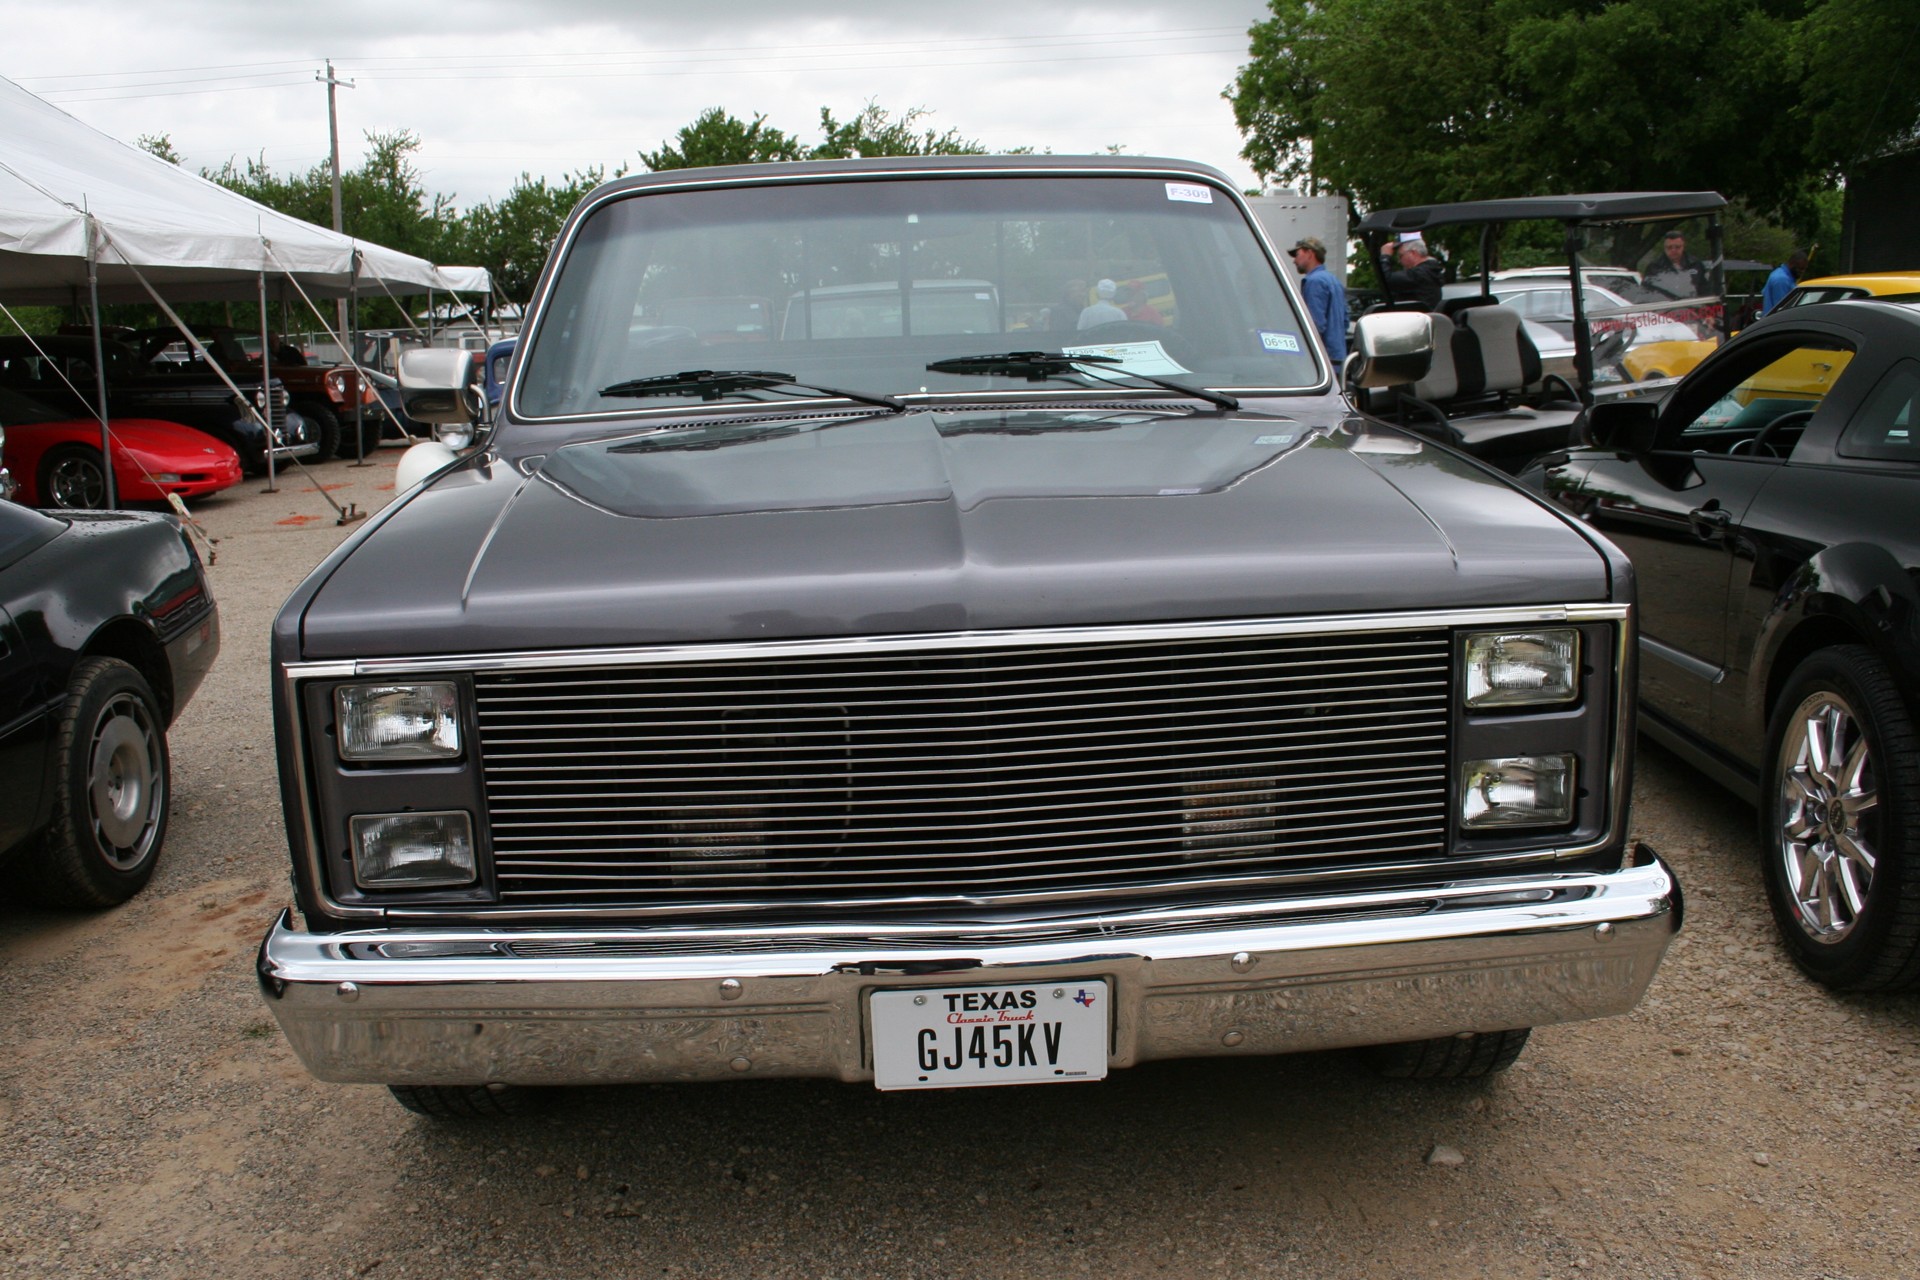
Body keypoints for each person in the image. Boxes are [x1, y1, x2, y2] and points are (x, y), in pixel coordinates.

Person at [1290, 236, 1347, 361]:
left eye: (1297, 254)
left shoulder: (1314, 282)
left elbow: (1315, 325)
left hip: (1323, 360)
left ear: (1310, 253)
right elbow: (1345, 321)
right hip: (1337, 358)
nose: (1294, 260)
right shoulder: (1334, 281)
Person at [1644, 229, 1711, 300]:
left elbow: (1705, 291)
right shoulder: (1654, 267)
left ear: (1683, 246)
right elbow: (1647, 293)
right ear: (1664, 248)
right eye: (1669, 247)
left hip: (1691, 307)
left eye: (1677, 247)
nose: (1673, 250)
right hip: (1665, 308)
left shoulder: (1696, 264)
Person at [1384, 235, 1444, 310]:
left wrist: (1385, 257)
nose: (1399, 261)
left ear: (1413, 253)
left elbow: (1384, 280)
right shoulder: (1430, 271)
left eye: (1400, 256)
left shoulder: (1419, 274)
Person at [1761, 249, 1810, 314]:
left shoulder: (1778, 273)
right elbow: (1782, 309)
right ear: (1792, 264)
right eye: (1800, 269)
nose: (1802, 272)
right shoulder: (1782, 280)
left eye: (1804, 269)